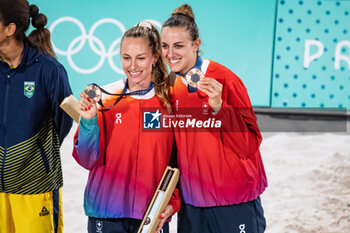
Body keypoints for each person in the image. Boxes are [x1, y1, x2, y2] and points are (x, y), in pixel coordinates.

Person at [161, 4, 268, 233]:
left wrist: (221, 108)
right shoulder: (168, 87)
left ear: (196, 45)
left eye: (178, 46)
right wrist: (174, 199)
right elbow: (172, 154)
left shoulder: (226, 80)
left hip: (233, 202)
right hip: (193, 206)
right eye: (165, 46)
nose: (170, 53)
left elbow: (249, 144)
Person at [72, 21, 180, 233]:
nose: (133, 66)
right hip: (105, 212)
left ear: (155, 57)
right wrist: (88, 122)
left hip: (152, 215)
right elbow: (86, 159)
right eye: (126, 58)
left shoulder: (169, 103)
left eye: (141, 58)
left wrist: (172, 202)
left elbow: (179, 163)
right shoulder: (106, 99)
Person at [0, 1, 73, 233]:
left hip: (35, 186)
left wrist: (36, 155)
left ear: (10, 29)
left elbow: (64, 121)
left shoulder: (49, 70)